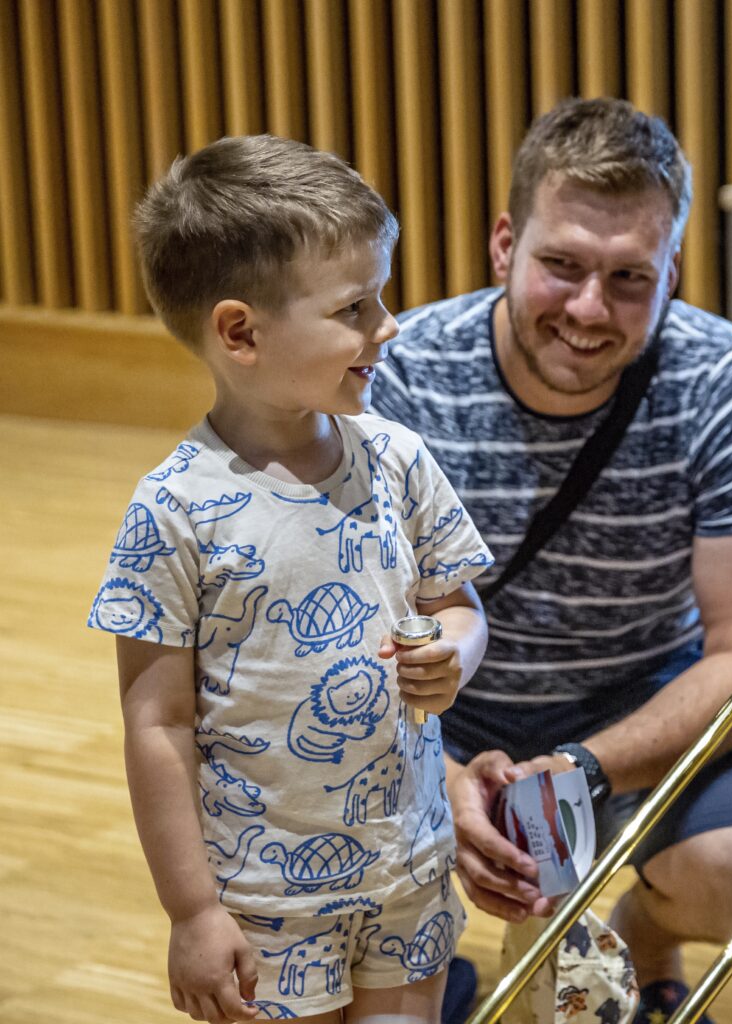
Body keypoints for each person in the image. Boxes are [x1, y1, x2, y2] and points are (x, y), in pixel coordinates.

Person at [369, 97, 732, 1020]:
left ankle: (647, 927)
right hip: (434, 713)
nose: (586, 310)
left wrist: (586, 767)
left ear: (673, 273)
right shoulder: (397, 373)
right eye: (561, 266)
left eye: (627, 279)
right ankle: (421, 953)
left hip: (640, 708)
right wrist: (443, 779)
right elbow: (338, 631)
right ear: (504, 245)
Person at [91, 135, 494, 1023]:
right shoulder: (174, 510)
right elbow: (157, 723)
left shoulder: (398, 456)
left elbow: (458, 606)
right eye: (355, 305)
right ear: (241, 331)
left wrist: (457, 654)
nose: (386, 324)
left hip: (408, 865)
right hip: (267, 898)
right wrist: (193, 911)